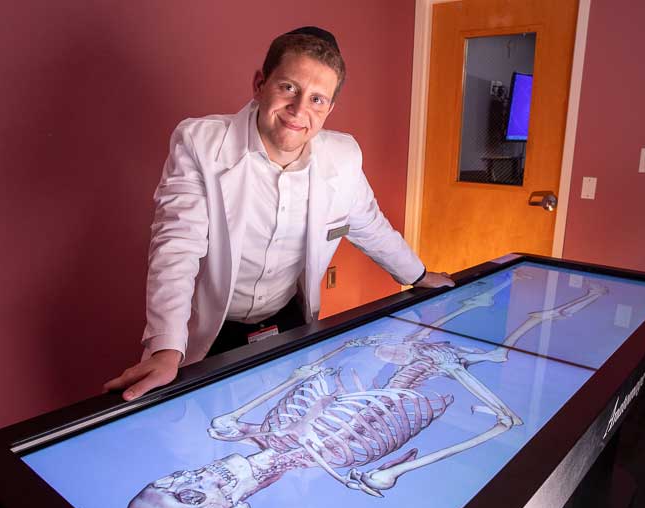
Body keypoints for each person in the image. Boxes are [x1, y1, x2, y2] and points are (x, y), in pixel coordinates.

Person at [104, 27, 453, 401]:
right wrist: (166, 350)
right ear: (260, 84)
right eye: (289, 88)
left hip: (289, 320)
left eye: (317, 99)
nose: (300, 110)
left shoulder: (344, 157)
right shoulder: (199, 144)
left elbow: (368, 223)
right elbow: (176, 248)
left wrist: (417, 274)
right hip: (210, 329)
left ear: (330, 109)